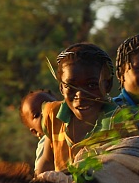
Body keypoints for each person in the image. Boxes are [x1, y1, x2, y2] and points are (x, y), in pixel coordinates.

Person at [37, 43, 117, 173]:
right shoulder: (53, 115)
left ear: (107, 85)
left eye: (91, 85)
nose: (80, 95)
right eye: (71, 86)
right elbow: (47, 162)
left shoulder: (121, 124)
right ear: (61, 88)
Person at [20, 89, 58, 174]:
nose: (45, 113)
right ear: (35, 132)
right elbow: (40, 174)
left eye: (50, 106)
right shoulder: (44, 144)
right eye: (36, 115)